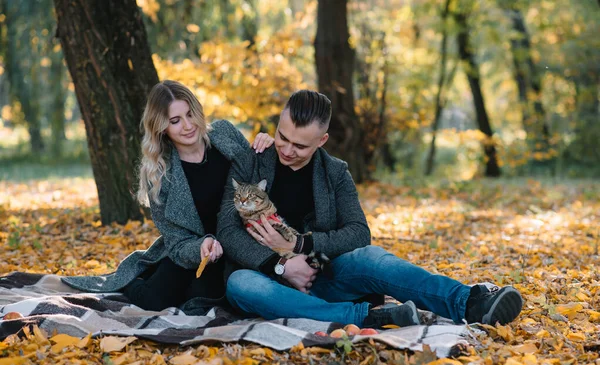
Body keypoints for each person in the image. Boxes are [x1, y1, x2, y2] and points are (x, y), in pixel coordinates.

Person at [217, 90, 523, 328]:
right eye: (282, 137)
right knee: (240, 284)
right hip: (265, 276)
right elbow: (227, 229)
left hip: (320, 270)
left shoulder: (335, 172)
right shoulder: (252, 160)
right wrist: (280, 265)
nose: (286, 149)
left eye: (300, 146)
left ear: (321, 141)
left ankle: (468, 302)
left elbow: (359, 233)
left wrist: (301, 245)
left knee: (372, 257)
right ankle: (365, 317)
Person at [61, 80, 273, 314]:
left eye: (190, 114)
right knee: (155, 301)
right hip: (195, 251)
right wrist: (201, 246)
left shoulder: (224, 133)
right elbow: (176, 241)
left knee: (205, 298)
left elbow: (261, 180)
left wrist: (270, 148)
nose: (188, 125)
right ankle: (133, 278)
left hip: (238, 244)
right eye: (175, 121)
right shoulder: (159, 174)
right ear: (161, 127)